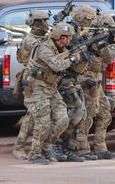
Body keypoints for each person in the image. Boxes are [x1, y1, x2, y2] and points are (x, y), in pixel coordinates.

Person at [26, 23, 78, 165]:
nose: (70, 40)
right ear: (61, 37)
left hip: (51, 89)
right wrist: (72, 59)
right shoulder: (45, 48)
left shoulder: (60, 48)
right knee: (43, 122)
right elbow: (56, 65)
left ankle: (47, 146)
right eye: (69, 37)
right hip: (37, 89)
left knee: (63, 119)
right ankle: (34, 154)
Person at [54, 5, 99, 162]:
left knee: (81, 114)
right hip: (64, 79)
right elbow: (72, 55)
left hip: (74, 79)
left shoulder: (79, 34)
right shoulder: (69, 34)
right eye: (89, 20)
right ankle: (57, 143)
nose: (91, 24)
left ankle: (69, 148)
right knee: (77, 111)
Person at [76, 13, 115, 160]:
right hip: (87, 81)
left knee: (105, 112)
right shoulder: (89, 38)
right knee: (87, 114)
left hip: (96, 81)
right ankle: (82, 148)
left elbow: (107, 59)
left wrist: (107, 41)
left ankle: (100, 147)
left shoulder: (104, 41)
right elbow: (107, 57)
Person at [12, 11, 49, 160]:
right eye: (44, 21)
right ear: (37, 23)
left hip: (43, 79)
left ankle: (27, 146)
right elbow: (43, 51)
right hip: (32, 80)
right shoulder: (30, 40)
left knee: (33, 116)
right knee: (33, 115)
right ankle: (19, 147)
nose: (47, 24)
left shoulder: (42, 38)